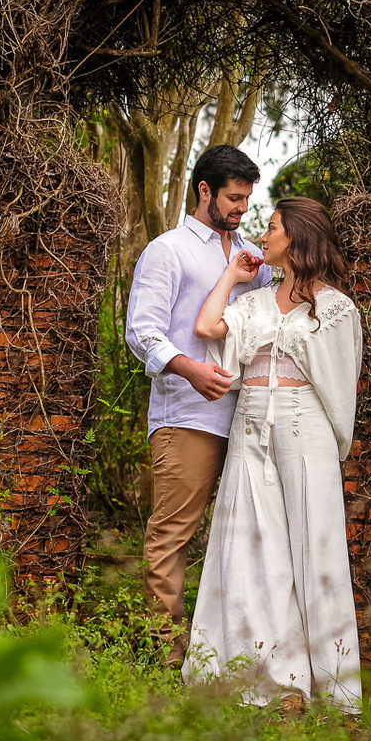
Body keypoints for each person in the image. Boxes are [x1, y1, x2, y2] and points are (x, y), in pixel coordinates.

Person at [182, 196, 363, 714]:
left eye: (273, 227)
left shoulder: (337, 309)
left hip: (307, 430)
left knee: (315, 551)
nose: (263, 235)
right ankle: (271, 679)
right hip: (249, 429)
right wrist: (231, 276)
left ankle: (337, 689)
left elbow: (340, 386)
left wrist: (331, 447)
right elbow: (207, 328)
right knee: (250, 550)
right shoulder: (256, 301)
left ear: (297, 237)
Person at [124, 144, 273, 666]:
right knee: (173, 535)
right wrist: (191, 369)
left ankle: (232, 659)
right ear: (204, 190)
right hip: (189, 417)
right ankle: (166, 658)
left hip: (252, 418)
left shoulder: (254, 257)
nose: (242, 209)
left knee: (247, 539)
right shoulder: (168, 251)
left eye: (247, 199)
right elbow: (142, 332)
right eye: (233, 198)